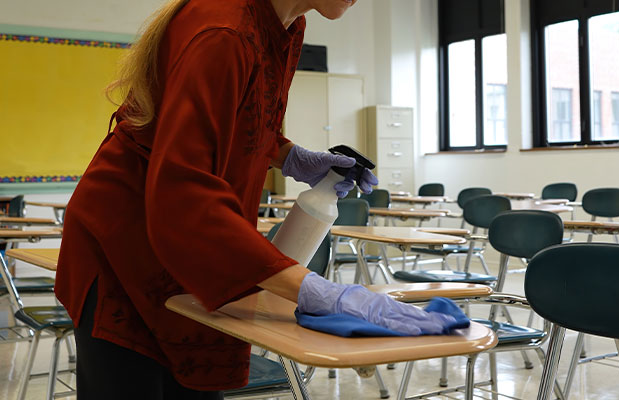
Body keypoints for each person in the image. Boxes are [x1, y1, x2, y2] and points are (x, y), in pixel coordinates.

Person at [55, 0, 454, 398]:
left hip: (184, 245)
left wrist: (285, 154)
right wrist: (317, 291)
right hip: (126, 243)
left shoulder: (287, 24)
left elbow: (240, 117)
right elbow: (184, 193)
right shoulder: (223, 33)